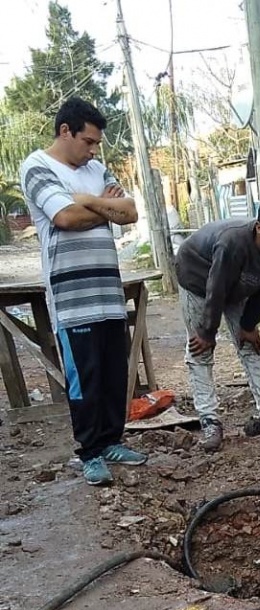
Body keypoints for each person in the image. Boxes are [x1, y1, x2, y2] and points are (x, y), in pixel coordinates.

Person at [20, 97, 147, 486]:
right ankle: (89, 452)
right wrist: (101, 208)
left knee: (112, 372)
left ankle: (111, 442)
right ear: (65, 131)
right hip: (73, 297)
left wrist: (89, 200)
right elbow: (63, 217)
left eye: (96, 144)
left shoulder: (95, 170)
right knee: (85, 378)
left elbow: (129, 213)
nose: (93, 150)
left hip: (107, 290)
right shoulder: (37, 167)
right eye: (88, 141)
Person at [174, 198, 260, 451]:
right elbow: (215, 287)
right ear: (259, 228)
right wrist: (208, 331)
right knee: (201, 349)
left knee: (249, 342)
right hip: (198, 276)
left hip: (235, 284)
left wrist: (249, 323)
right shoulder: (233, 242)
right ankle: (210, 421)